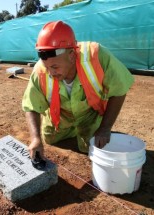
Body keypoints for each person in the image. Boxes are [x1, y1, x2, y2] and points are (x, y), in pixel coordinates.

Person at [22, 21, 134, 160]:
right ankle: (68, 129)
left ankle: (96, 128)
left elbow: (119, 89)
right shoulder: (40, 70)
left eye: (55, 67)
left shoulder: (96, 56)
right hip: (61, 117)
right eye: (47, 67)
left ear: (71, 55)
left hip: (89, 114)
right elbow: (31, 105)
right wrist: (35, 138)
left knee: (96, 146)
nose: (50, 73)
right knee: (49, 139)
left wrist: (105, 128)